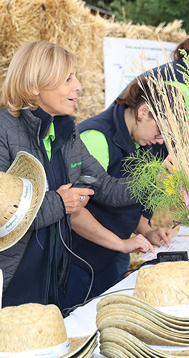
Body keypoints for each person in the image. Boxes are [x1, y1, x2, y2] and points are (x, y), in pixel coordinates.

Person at [0, 40, 151, 311]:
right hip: (12, 285)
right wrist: (59, 203)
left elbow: (109, 190)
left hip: (52, 279)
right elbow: (4, 213)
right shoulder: (4, 129)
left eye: (76, 76)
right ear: (35, 85)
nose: (78, 86)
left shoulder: (67, 132)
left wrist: (157, 177)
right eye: (68, 78)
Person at [59, 78, 177, 310]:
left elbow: (123, 201)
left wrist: (148, 232)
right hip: (80, 261)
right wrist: (121, 243)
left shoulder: (141, 138)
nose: (160, 140)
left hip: (114, 254)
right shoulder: (96, 137)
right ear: (143, 111)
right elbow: (73, 210)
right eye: (161, 131)